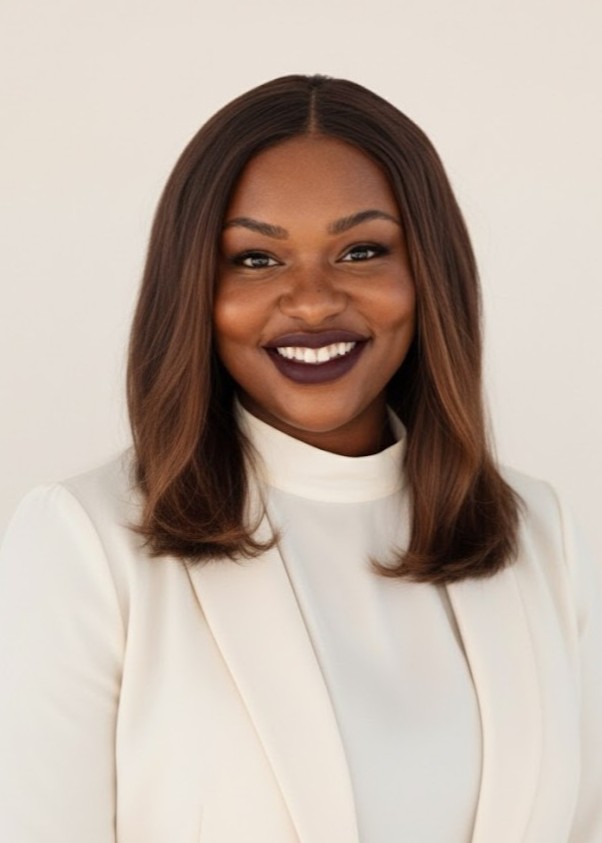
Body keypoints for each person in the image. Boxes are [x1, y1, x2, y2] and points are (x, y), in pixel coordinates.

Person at [0, 74, 600, 843]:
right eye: (256, 259)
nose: (313, 301)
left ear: (427, 276)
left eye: (361, 250)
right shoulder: (84, 544)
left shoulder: (538, 535)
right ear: (193, 287)